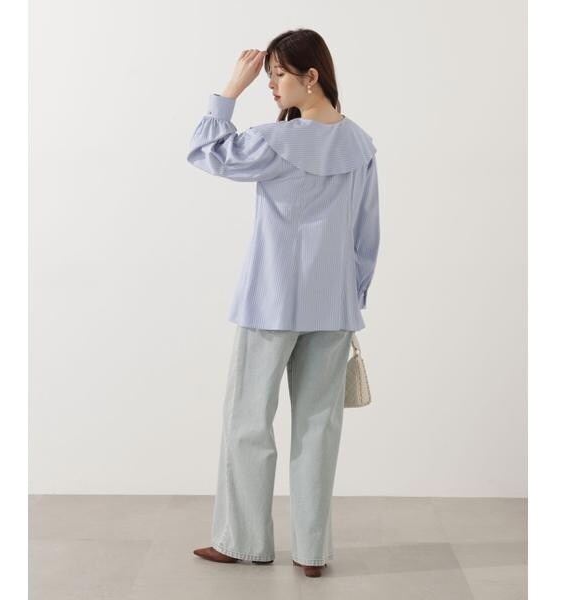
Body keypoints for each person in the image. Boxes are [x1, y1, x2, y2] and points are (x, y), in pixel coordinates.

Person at [186, 29, 380, 578]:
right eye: (266, 75)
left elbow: (204, 152)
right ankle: (312, 554)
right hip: (332, 306)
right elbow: (367, 235)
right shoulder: (360, 145)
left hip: (269, 302)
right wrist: (352, 297)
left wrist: (229, 90)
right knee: (319, 428)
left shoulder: (276, 142)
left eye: (277, 74)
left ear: (310, 76)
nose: (270, 84)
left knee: (248, 420)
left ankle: (243, 541)